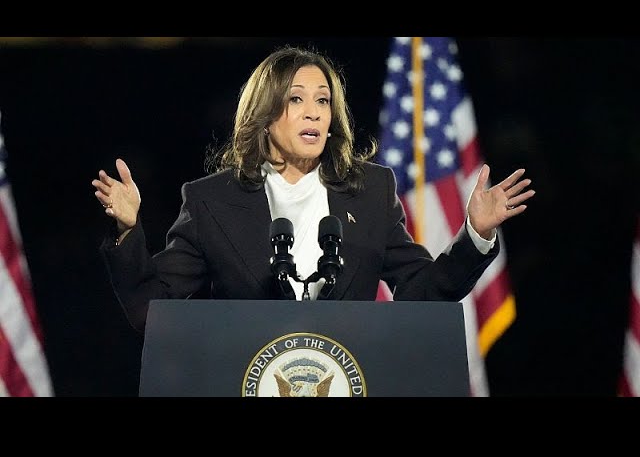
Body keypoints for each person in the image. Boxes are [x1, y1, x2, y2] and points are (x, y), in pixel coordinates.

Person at [92, 45, 535, 334]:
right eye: (296, 99)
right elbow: (154, 310)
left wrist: (474, 234)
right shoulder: (210, 201)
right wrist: (129, 229)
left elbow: (422, 291)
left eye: (322, 101)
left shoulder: (371, 190)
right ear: (265, 114)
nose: (313, 113)